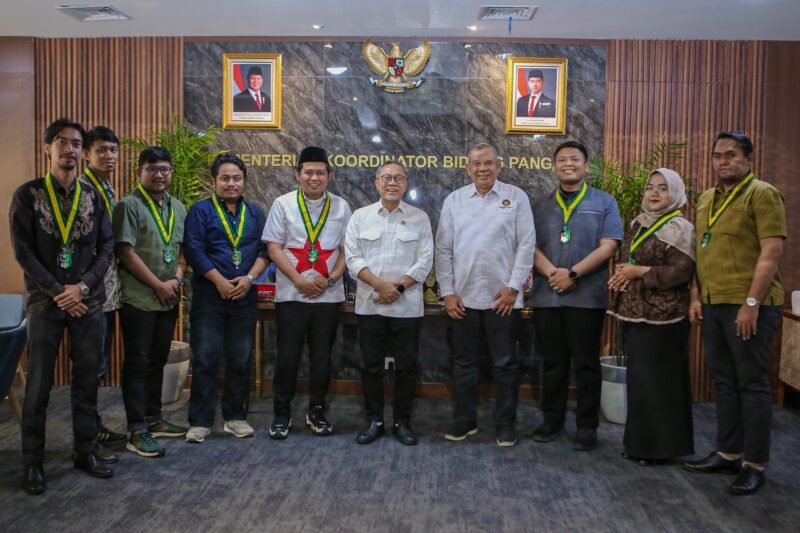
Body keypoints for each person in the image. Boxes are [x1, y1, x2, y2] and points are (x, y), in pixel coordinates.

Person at [10, 118, 115, 495]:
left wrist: (82, 287)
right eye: (61, 142)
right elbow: (23, 252)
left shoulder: (94, 197)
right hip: (45, 303)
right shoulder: (28, 194)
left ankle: (84, 452)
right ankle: (32, 464)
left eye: (75, 143)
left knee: (86, 382)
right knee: (38, 386)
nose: (69, 148)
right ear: (47, 148)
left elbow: (106, 249)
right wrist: (59, 290)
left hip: (88, 303)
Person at [683, 131, 786, 496]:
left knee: (752, 383)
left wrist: (752, 304)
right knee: (723, 381)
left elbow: (770, 254)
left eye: (731, 154)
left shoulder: (763, 194)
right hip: (712, 303)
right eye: (717, 156)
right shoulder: (708, 198)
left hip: (750, 307)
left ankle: (754, 464)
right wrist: (696, 295)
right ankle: (728, 452)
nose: (723, 161)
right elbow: (701, 251)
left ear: (748, 158)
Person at [435, 143, 535, 448]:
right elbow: (443, 250)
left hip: (503, 300)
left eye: (488, 163)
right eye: (476, 163)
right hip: (463, 300)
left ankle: (506, 424)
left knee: (505, 364)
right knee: (464, 363)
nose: (483, 168)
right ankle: (465, 421)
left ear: (499, 166)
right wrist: (448, 292)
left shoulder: (516, 197)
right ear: (468, 168)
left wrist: (513, 287)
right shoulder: (455, 200)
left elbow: (526, 245)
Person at [531, 140, 622, 451]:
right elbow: (529, 245)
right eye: (562, 159)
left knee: (586, 364)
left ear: (585, 165)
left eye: (575, 159)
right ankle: (552, 420)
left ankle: (586, 426)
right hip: (547, 296)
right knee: (553, 363)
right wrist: (553, 274)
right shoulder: (539, 203)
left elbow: (609, 246)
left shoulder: (605, 201)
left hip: (586, 297)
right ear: (554, 166)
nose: (568, 164)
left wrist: (572, 274)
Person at [607, 168, 696, 465]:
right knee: (642, 383)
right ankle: (639, 445)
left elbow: (680, 272)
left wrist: (638, 272)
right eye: (650, 188)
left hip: (666, 318)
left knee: (661, 385)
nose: (654, 194)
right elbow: (630, 258)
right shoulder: (638, 223)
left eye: (663, 188)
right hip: (637, 315)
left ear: (675, 194)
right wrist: (622, 272)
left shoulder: (680, 227)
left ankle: (660, 449)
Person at [262, 146, 351, 439]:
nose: (314, 178)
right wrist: (299, 280)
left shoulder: (341, 206)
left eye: (320, 173)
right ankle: (281, 413)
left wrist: (331, 278)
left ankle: (317, 410)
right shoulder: (282, 204)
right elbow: (273, 247)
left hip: (327, 295)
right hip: (291, 295)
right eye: (308, 172)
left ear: (330, 176)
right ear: (297, 174)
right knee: (287, 356)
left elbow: (346, 250)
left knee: (322, 357)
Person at [345, 161, 433, 446]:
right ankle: (374, 421)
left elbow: (425, 261)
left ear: (406, 183)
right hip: (370, 305)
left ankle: (402, 422)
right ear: (376, 183)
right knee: (371, 365)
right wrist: (381, 286)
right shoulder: (360, 217)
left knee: (406, 367)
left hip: (406, 307)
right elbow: (353, 259)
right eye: (386, 178)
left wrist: (396, 288)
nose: (392, 183)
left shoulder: (420, 218)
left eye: (398, 178)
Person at [182, 154, 269, 443]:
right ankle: (200, 422)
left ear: (244, 181)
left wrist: (249, 279)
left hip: (245, 294)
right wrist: (219, 281)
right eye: (225, 178)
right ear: (214, 180)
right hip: (210, 295)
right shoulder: (200, 211)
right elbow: (194, 250)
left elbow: (264, 251)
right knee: (206, 359)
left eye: (237, 178)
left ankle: (235, 417)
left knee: (240, 359)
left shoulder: (255, 213)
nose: (231, 183)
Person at [113, 146, 188, 457]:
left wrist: (176, 280)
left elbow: (183, 253)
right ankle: (136, 429)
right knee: (137, 363)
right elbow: (125, 253)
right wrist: (158, 284)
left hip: (168, 298)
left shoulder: (179, 208)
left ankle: (155, 419)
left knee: (158, 359)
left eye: (164, 169)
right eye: (152, 169)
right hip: (139, 299)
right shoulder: (128, 206)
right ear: (140, 172)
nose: (159, 175)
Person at [81, 126, 127, 449]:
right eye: (101, 150)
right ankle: (86, 433)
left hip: (108, 291)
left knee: (99, 362)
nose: (108, 156)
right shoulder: (82, 187)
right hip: (89, 290)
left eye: (112, 150)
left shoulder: (107, 187)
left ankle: (92, 425)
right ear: (87, 153)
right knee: (89, 363)